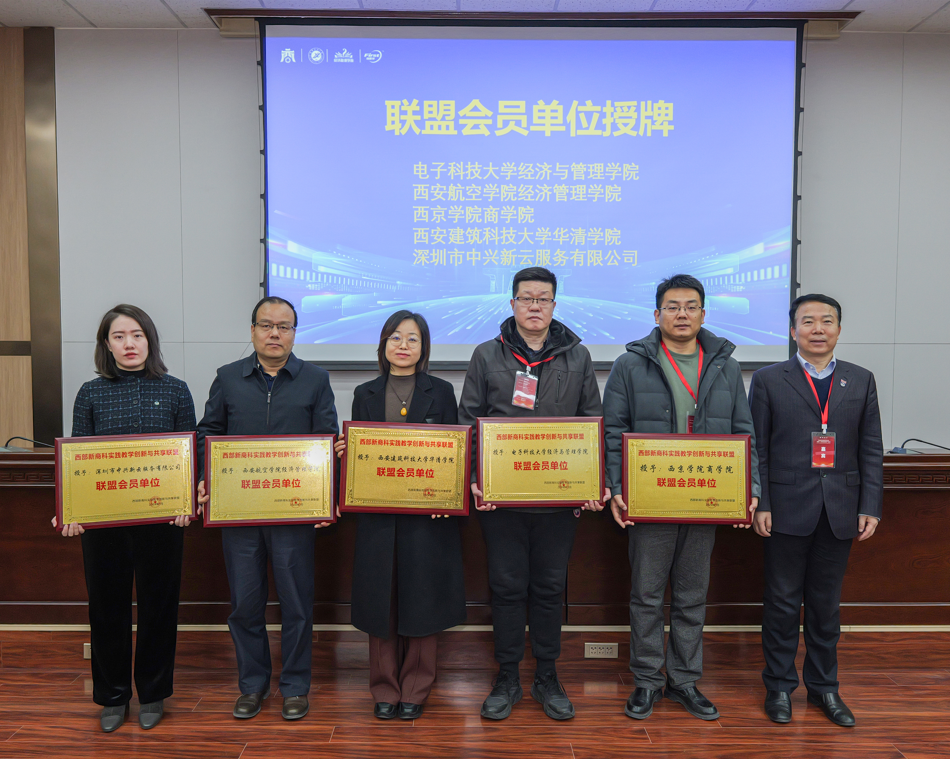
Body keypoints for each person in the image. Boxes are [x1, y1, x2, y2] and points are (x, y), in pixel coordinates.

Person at [603, 274, 760, 722]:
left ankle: (685, 680)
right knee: (647, 594)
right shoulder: (630, 364)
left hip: (705, 497)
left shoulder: (725, 365)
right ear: (657, 315)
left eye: (691, 306)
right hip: (650, 498)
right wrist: (617, 488)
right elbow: (613, 432)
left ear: (703, 314)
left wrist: (749, 489)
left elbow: (744, 432)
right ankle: (647, 680)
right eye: (672, 307)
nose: (682, 314)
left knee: (692, 593)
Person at [458, 267, 609, 721]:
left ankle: (546, 675)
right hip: (501, 500)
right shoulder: (487, 354)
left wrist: (593, 482)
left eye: (543, 299)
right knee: (506, 588)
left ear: (554, 306)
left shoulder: (578, 356)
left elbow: (592, 422)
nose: (535, 306)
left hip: (558, 499)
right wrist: (475, 479)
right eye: (527, 298)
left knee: (548, 588)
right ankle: (507, 676)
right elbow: (469, 422)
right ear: (512, 304)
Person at [53, 304, 197, 732]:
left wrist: (187, 502)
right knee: (106, 608)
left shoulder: (176, 390)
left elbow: (190, 455)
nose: (129, 344)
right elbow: (78, 458)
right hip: (104, 523)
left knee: (159, 607)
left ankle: (153, 693)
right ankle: (113, 696)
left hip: (162, 521)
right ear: (107, 344)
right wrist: (72, 511)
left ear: (150, 340)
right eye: (119, 336)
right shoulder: (90, 393)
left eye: (137, 335)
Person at [195, 296, 338, 721]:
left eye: (284, 326)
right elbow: (208, 432)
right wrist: (205, 476)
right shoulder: (228, 377)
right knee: (245, 604)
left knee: (297, 604)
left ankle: (294, 686)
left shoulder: (316, 379)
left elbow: (328, 438)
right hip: (239, 512)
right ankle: (252, 685)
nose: (275, 333)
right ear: (253, 330)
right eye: (266, 325)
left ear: (294, 333)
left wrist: (325, 496)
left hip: (294, 512)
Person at [750, 294, 883, 727]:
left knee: (826, 608)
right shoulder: (769, 380)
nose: (818, 329)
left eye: (827, 321)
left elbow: (871, 449)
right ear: (793, 331)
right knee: (782, 604)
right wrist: (762, 503)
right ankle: (779, 687)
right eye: (808, 321)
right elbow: (758, 450)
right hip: (785, 509)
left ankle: (825, 688)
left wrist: (870, 505)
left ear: (839, 330)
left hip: (841, 508)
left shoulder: (860, 380)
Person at [332, 310, 466, 720]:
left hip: (427, 518)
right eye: (395, 337)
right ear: (383, 344)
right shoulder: (365, 392)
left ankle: (415, 689)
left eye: (412, 338)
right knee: (381, 602)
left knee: (423, 601)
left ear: (424, 348)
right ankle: (384, 689)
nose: (403, 345)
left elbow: (455, 450)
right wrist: (346, 452)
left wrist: (447, 495)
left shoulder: (441, 391)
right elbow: (362, 454)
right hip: (378, 516)